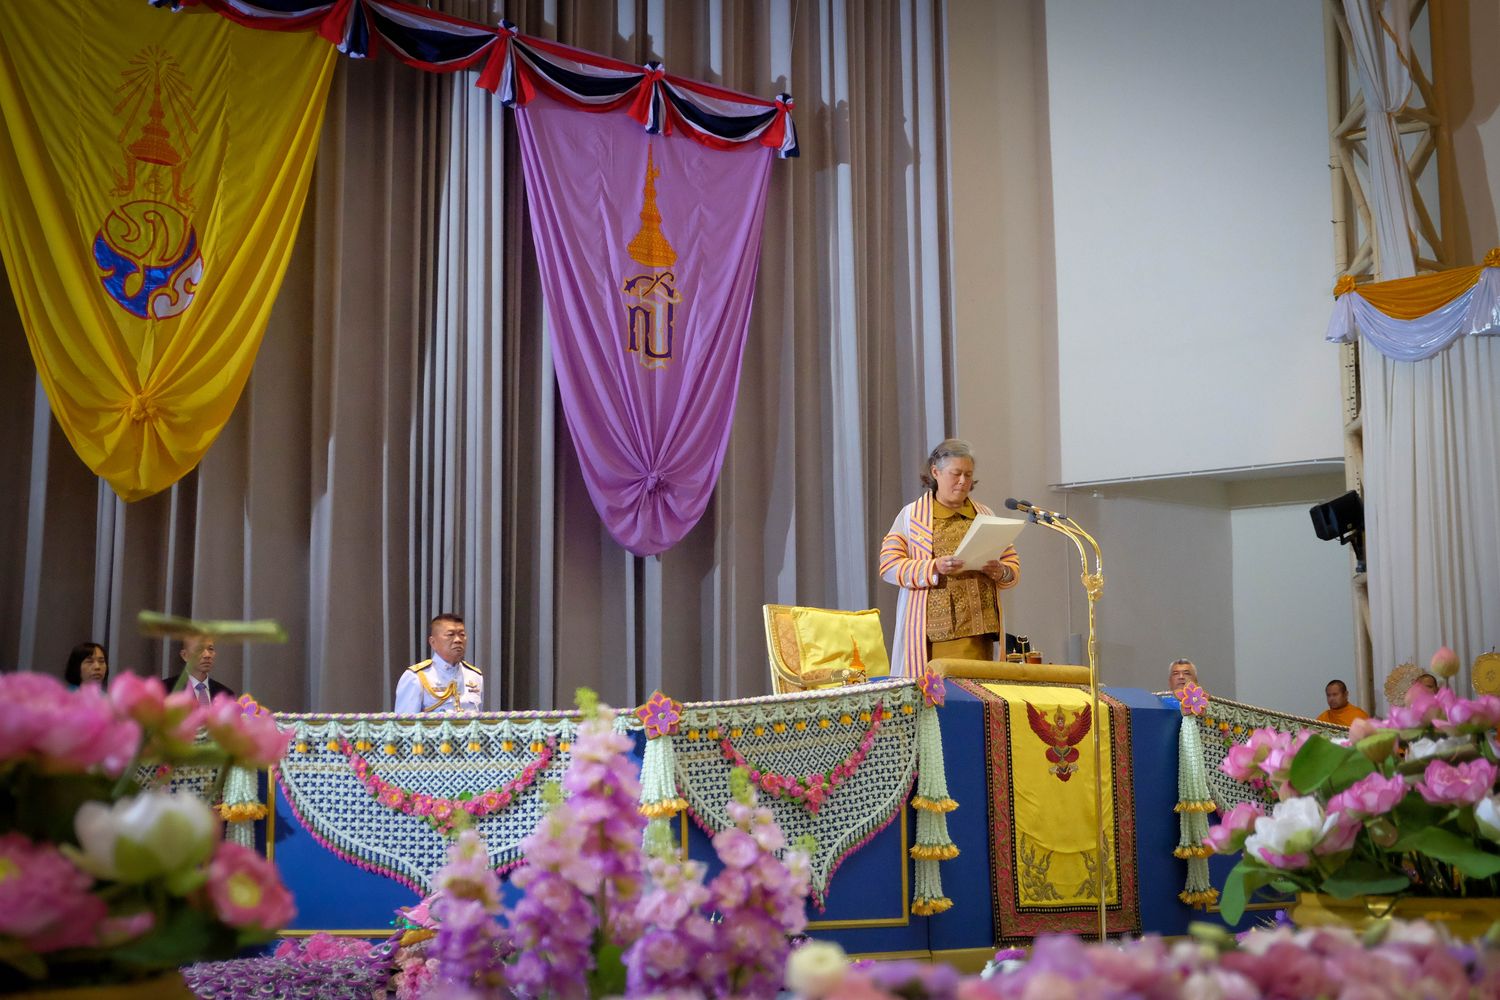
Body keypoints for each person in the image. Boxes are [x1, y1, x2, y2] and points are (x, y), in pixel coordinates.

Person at [880, 438, 1020, 677]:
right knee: (943, 696)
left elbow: (1011, 563)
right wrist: (934, 566)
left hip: (982, 632)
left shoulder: (985, 514)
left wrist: (1002, 571)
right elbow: (889, 565)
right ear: (935, 472)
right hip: (937, 637)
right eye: (956, 474)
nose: (963, 481)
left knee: (980, 695)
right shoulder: (911, 517)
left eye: (968, 474)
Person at [396, 614, 483, 713]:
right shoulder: (416, 677)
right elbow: (405, 721)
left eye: (462, 635)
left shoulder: (475, 676)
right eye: (450, 635)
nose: (458, 640)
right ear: (433, 642)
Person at [164, 636, 235, 705]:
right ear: (185, 655)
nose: (207, 655)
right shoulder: (165, 690)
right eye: (199, 649)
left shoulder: (226, 695)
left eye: (210, 649)